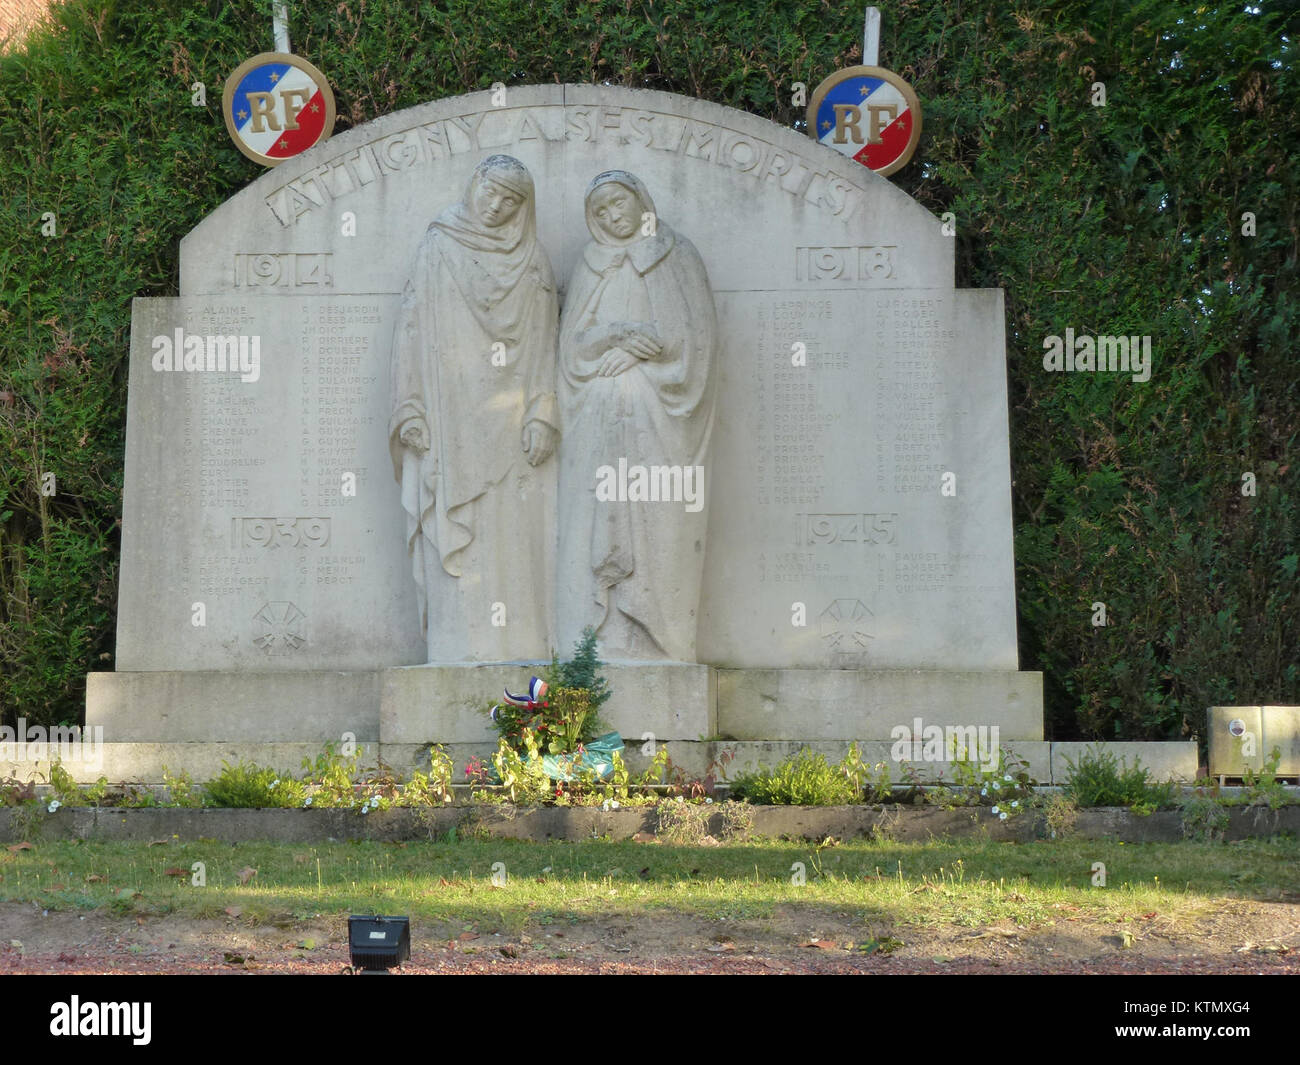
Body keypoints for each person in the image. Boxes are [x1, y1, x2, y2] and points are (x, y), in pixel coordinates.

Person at [388, 155, 558, 661]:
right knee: (453, 530)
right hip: (448, 417)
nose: (497, 206)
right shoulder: (438, 244)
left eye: (511, 200)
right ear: (475, 185)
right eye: (492, 192)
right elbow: (412, 330)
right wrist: (410, 408)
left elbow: (547, 343)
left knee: (511, 537)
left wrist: (542, 412)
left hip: (511, 428)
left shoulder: (534, 261)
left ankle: (521, 655)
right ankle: (456, 649)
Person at [557, 171, 718, 661]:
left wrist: (644, 354)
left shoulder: (676, 254)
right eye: (600, 210)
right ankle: (597, 636)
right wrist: (617, 336)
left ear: (640, 200)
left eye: (617, 203)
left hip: (660, 425)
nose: (611, 216)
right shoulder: (591, 266)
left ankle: (658, 631)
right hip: (597, 428)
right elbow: (571, 351)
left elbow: (696, 339)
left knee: (659, 524)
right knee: (596, 522)